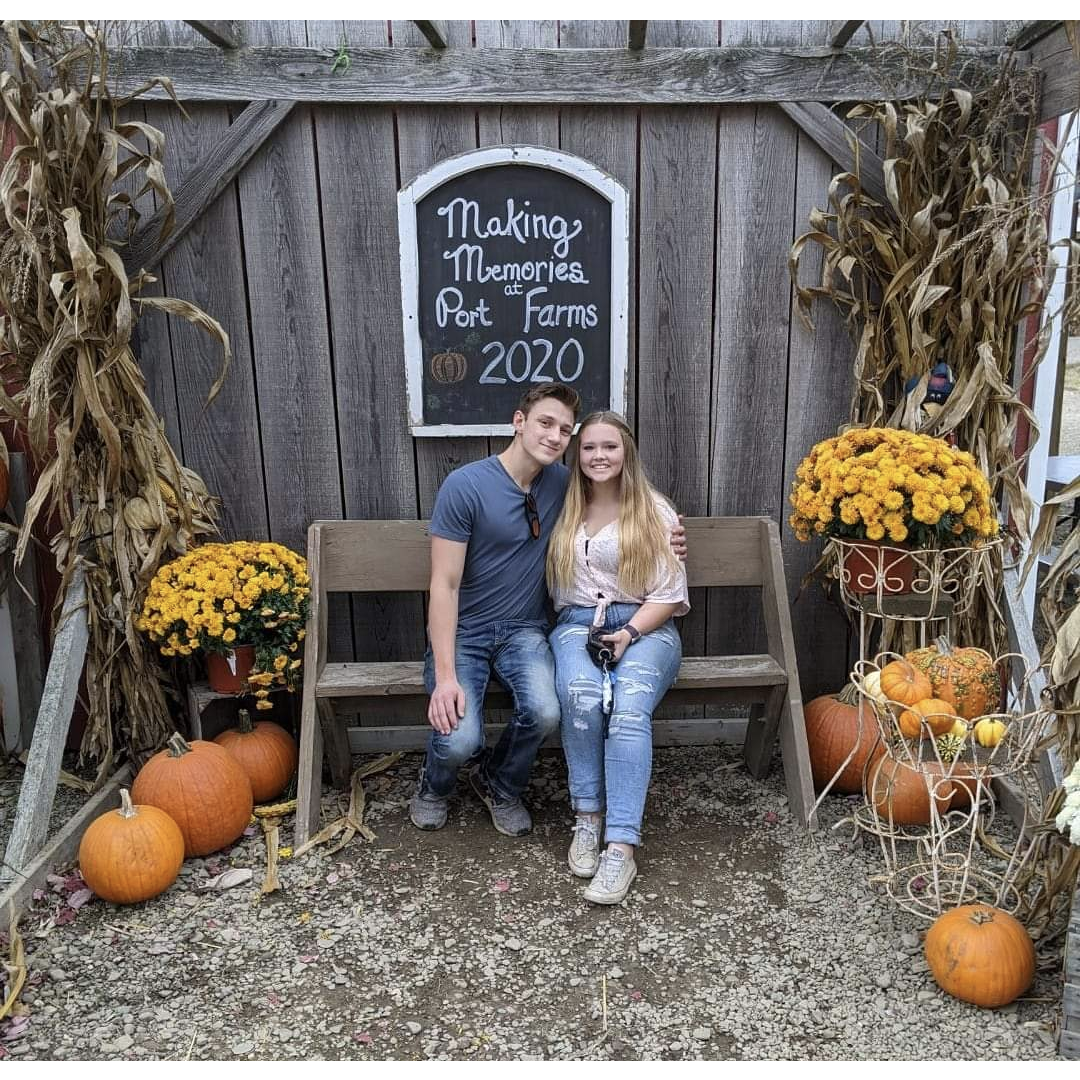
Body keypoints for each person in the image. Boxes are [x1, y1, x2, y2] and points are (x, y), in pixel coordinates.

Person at [410, 385, 685, 839]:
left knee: (544, 712)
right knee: (460, 739)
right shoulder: (466, 486)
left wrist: (670, 534)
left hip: (525, 632)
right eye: (545, 423)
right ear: (518, 422)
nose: (556, 436)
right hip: (466, 633)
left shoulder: (566, 485)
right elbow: (444, 584)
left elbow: (626, 507)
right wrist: (444, 677)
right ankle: (434, 786)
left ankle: (500, 783)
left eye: (564, 430)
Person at [546, 411, 689, 904]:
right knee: (581, 698)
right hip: (576, 625)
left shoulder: (654, 511)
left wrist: (629, 630)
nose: (599, 456)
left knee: (629, 713)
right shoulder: (560, 506)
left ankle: (621, 846)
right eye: (588, 448)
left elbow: (670, 594)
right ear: (575, 454)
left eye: (609, 446)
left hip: (648, 625)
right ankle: (588, 818)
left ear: (626, 451)